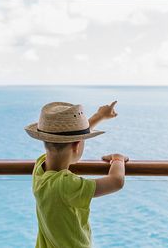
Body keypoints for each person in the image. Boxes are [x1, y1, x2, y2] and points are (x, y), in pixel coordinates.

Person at [24, 101, 129, 248]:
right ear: (78, 145)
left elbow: (73, 139)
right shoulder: (66, 184)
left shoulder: (39, 168)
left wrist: (99, 116)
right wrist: (118, 159)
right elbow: (116, 181)